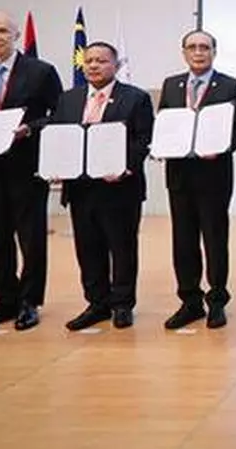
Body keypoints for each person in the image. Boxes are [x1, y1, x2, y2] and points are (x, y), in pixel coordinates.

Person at [0, 10, 62, 332]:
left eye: (3, 31)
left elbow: (60, 115)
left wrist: (29, 129)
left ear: (16, 35)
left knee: (31, 238)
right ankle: (4, 299)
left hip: (28, 166)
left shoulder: (41, 71)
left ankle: (29, 302)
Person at [53, 41, 154, 331]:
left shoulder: (135, 98)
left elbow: (143, 139)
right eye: (89, 61)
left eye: (101, 61)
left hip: (119, 188)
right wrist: (56, 166)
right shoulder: (69, 99)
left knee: (122, 248)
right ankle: (97, 303)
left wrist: (124, 167)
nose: (94, 66)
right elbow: (59, 136)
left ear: (116, 66)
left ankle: (122, 304)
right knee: (88, 248)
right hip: (81, 188)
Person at [159, 30, 236, 330]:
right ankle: (189, 301)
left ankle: (217, 301)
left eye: (205, 47)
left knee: (215, 238)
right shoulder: (172, 85)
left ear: (214, 52)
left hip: (214, 176)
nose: (198, 52)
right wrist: (161, 147)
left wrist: (222, 147)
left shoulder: (230, 85)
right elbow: (164, 124)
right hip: (180, 175)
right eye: (192, 47)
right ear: (183, 52)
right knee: (183, 241)